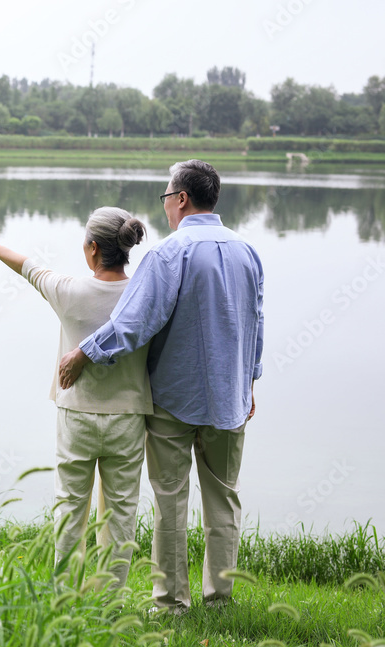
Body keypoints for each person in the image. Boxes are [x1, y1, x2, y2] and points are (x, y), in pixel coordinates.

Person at [58, 159, 264, 614]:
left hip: (174, 398)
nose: (166, 208)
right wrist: (250, 380)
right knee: (223, 501)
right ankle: (219, 601)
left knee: (171, 501)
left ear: (181, 199)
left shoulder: (168, 254)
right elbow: (255, 322)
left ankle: (172, 602)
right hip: (231, 398)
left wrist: (83, 353)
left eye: (166, 198)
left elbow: (132, 323)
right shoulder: (248, 252)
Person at [0, 207, 152, 588]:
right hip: (129, 419)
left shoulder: (70, 291)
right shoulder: (144, 297)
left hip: (77, 418)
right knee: (121, 515)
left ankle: (64, 593)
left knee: (70, 508)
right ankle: (111, 601)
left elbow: (30, 268)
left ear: (92, 249)